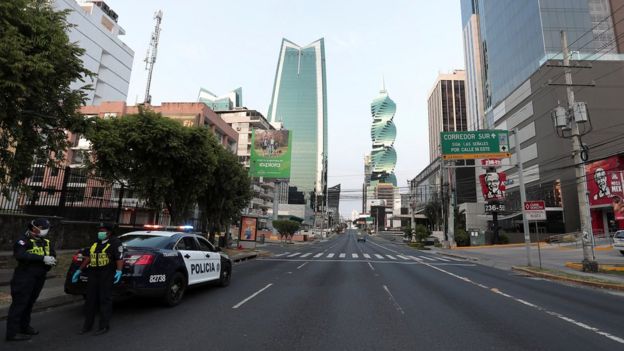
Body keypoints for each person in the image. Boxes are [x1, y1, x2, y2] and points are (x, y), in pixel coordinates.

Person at [5, 218, 57, 342]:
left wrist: (52, 261)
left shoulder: (46, 241)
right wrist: (42, 258)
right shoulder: (23, 240)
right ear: (35, 227)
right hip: (24, 276)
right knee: (19, 304)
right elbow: (20, 255)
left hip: (39, 277)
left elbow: (52, 254)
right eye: (44, 228)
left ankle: (24, 327)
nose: (46, 231)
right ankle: (12, 333)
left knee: (29, 303)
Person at [72, 223, 123, 335]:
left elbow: (119, 258)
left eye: (103, 230)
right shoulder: (96, 243)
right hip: (93, 273)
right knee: (90, 300)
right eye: (99, 230)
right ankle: (87, 326)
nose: (100, 232)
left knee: (105, 299)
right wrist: (79, 270)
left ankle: (104, 326)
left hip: (107, 273)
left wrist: (119, 271)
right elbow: (89, 257)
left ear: (109, 232)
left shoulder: (115, 243)